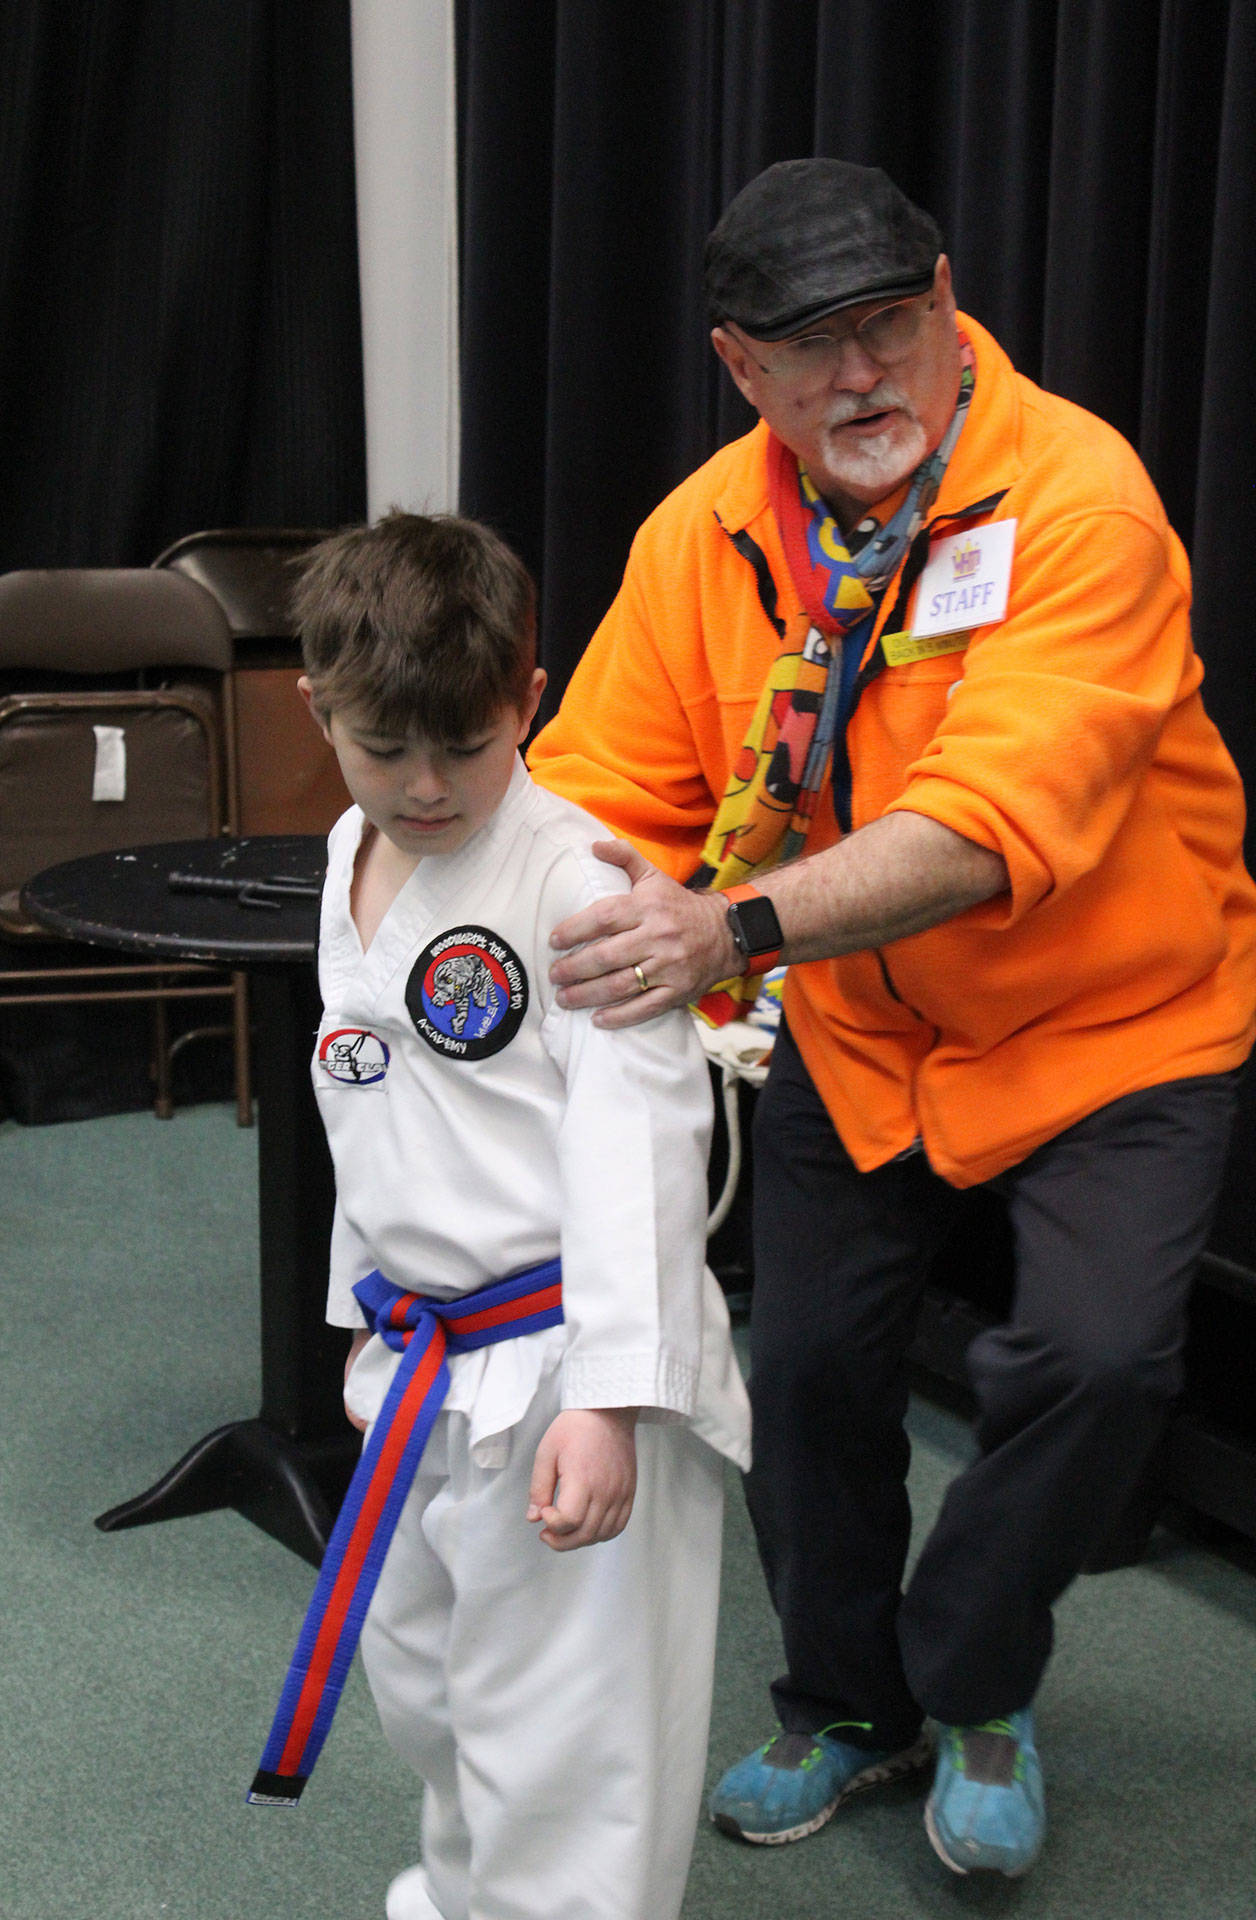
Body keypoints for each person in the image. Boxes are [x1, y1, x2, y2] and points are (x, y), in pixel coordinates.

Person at [528, 157, 1256, 1879]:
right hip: (864, 1031)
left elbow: (988, 824)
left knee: (1097, 1362)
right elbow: (592, 791)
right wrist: (495, 904)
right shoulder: (705, 534)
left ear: (943, 299)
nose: (862, 375)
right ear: (740, 365)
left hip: (1116, 1020)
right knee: (804, 1377)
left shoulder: (1079, 498)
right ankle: (852, 1708)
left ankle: (974, 1677)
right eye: (810, 346)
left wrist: (727, 929)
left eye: (887, 324)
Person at [248, 510, 750, 1920]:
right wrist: (362, 1311)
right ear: (318, 710)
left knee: (567, 1740)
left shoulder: (577, 885)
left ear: (527, 700)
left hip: (564, 1364)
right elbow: (373, 1102)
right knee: (435, 1685)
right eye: (383, 747)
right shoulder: (351, 853)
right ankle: (466, 1898)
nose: (424, 786)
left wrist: (611, 1400)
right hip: (425, 1357)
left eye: (465, 747)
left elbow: (640, 1146)